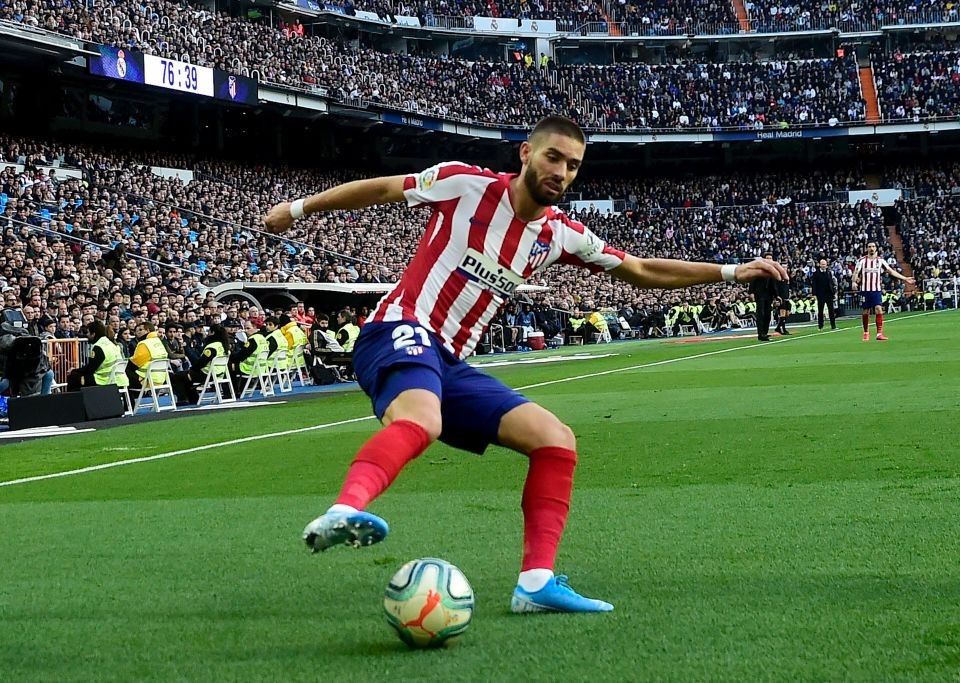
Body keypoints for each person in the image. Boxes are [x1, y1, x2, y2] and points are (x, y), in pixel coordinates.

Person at [262, 115, 787, 614]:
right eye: (553, 157)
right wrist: (300, 208)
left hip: (449, 359)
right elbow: (382, 189)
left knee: (555, 439)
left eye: (573, 165)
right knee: (423, 420)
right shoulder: (463, 184)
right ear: (526, 153)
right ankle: (343, 511)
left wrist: (732, 271)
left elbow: (641, 269)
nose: (561, 172)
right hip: (398, 327)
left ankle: (534, 583)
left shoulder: (560, 234)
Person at [852, 242, 915, 341]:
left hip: (876, 290)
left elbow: (891, 271)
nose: (871, 248)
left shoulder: (880, 261)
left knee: (878, 309)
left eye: (873, 247)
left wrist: (905, 278)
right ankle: (866, 332)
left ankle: (879, 334)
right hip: (865, 290)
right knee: (865, 311)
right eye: (869, 247)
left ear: (876, 248)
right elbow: (856, 272)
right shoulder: (862, 261)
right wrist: (854, 282)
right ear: (867, 249)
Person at [66, 320, 127, 391]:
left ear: (93, 334)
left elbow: (90, 369)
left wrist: (73, 371)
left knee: (73, 377)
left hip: (104, 380)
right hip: (119, 379)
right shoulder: (112, 344)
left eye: (88, 332)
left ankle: (74, 401)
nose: (87, 335)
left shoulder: (99, 347)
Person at [749, 253, 778, 342]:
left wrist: (776, 296)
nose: (769, 260)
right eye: (767, 258)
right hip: (760, 293)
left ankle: (765, 332)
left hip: (768, 295)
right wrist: (751, 292)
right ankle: (761, 334)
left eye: (770, 258)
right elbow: (752, 280)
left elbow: (774, 284)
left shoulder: (773, 270)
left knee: (768, 315)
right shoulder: (759, 269)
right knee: (761, 314)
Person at [810, 259, 838, 330]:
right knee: (820, 311)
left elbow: (831, 283)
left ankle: (833, 325)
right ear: (819, 265)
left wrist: (833, 292)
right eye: (822, 264)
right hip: (820, 294)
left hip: (829, 294)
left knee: (831, 310)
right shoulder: (816, 273)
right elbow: (814, 285)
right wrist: (814, 294)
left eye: (824, 264)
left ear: (826, 265)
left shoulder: (829, 273)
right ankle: (820, 326)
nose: (823, 266)